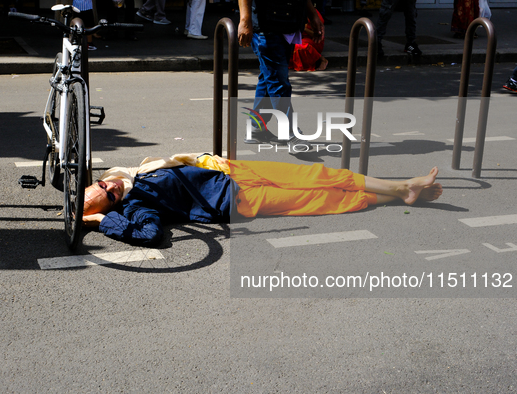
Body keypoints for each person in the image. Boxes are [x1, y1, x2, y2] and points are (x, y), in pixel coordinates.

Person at [82, 154, 443, 245]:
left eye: (102, 186)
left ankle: (400, 187)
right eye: (110, 198)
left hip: (234, 170)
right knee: (322, 198)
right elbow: (149, 235)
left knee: (318, 175)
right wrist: (102, 221)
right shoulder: (135, 206)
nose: (111, 189)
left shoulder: (130, 173)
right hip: (237, 201)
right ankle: (400, 195)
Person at [238, 0, 324, 145]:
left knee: (269, 78)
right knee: (278, 81)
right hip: (267, 27)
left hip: (288, 24)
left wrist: (313, 15)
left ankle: (256, 129)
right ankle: (291, 133)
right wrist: (245, 20)